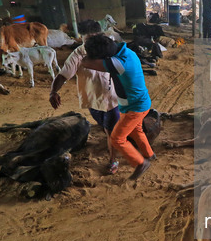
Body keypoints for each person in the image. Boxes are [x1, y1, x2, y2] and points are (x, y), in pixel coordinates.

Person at [49, 20, 120, 174]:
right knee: (105, 127)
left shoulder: (109, 49)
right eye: (86, 40)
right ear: (81, 38)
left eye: (92, 39)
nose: (89, 44)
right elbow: (63, 75)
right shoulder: (79, 53)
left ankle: (113, 160)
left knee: (111, 132)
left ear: (100, 36)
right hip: (92, 100)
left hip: (113, 98)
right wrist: (53, 92)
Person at [81, 35, 156, 180]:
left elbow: (86, 62)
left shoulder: (118, 63)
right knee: (136, 130)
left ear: (105, 56)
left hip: (134, 108)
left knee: (117, 138)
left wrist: (90, 54)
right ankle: (149, 154)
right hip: (140, 103)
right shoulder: (127, 52)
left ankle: (141, 163)